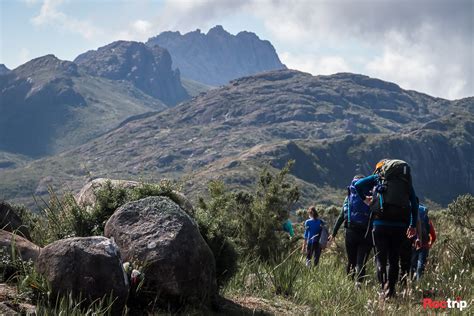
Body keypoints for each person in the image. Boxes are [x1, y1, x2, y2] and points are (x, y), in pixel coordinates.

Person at [354, 159, 418, 299]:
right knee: (393, 260)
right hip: (400, 226)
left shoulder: (379, 177)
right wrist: (412, 225)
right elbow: (414, 203)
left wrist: (365, 199)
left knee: (380, 260)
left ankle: (383, 289)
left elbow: (357, 185)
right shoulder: (405, 182)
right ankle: (391, 291)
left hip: (380, 224)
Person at [329, 175, 373, 287]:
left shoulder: (349, 197)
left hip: (351, 231)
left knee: (351, 261)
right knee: (361, 262)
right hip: (366, 232)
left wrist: (333, 233)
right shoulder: (370, 195)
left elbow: (341, 216)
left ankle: (348, 285)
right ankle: (359, 286)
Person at [411, 204, 436, 280]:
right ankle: (420, 283)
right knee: (421, 265)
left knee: (412, 265)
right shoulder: (427, 220)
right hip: (424, 246)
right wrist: (429, 244)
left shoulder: (411, 219)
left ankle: (411, 284)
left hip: (413, 245)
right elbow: (433, 236)